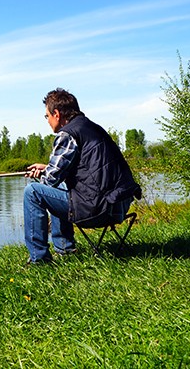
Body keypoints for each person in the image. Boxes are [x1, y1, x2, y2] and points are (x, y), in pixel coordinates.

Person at [23, 88, 141, 264]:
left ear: (56, 113)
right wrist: (48, 168)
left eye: (46, 116)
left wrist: (43, 174)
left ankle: (39, 260)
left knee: (32, 191)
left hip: (98, 210)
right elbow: (89, 169)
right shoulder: (91, 128)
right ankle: (65, 249)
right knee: (59, 186)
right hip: (119, 205)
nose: (47, 120)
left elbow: (50, 180)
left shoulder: (67, 134)